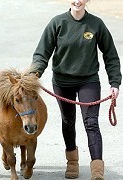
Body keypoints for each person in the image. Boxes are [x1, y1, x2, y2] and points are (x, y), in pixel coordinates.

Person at [30, 0, 122, 179]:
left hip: (88, 80)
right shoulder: (57, 23)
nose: (77, 1)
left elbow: (111, 55)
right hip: (62, 81)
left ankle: (97, 170)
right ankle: (72, 162)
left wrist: (115, 83)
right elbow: (42, 53)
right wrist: (34, 74)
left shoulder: (96, 24)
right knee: (68, 121)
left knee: (91, 123)